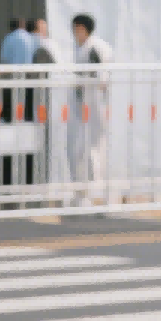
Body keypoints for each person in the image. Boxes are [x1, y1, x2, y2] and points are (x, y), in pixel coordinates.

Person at [69, 15, 115, 197]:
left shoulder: (95, 48)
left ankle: (96, 190)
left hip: (94, 105)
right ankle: (84, 189)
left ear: (82, 28)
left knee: (94, 147)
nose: (74, 32)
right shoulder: (81, 47)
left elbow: (101, 79)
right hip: (84, 105)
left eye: (75, 28)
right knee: (82, 148)